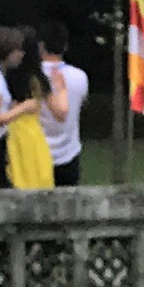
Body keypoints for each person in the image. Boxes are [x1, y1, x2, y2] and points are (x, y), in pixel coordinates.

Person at [0, 28, 55, 191]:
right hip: (30, 133)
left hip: (12, 132)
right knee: (36, 177)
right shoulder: (36, 79)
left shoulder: (1, 75)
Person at [39, 23, 91, 189]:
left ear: (40, 45)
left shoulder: (31, 76)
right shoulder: (80, 76)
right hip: (69, 152)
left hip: (37, 153)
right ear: (65, 46)